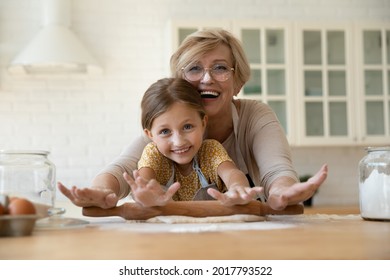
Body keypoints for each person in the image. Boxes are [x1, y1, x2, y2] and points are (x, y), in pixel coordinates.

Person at [58, 28, 327, 211]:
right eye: (195, 69)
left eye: (220, 68)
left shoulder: (255, 116)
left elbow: (276, 172)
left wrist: (282, 191)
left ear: (237, 81)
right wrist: (101, 192)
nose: (207, 78)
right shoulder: (164, 127)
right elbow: (123, 170)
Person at [122, 77, 262, 207]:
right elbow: (144, 183)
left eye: (187, 127)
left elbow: (232, 173)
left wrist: (238, 187)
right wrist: (145, 194)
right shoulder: (153, 154)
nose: (178, 142)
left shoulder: (210, 150)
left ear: (203, 123)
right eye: (165, 131)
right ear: (150, 135)